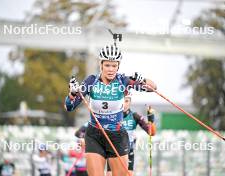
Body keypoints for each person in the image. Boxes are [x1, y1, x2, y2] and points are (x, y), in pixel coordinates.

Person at [65, 44, 157, 176]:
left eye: (114, 65)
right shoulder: (91, 81)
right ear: (101, 64)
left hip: (117, 136)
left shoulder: (123, 81)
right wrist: (72, 94)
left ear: (118, 66)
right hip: (95, 135)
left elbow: (153, 87)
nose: (111, 69)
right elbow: (69, 106)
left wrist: (142, 80)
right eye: (107, 65)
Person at [75, 95, 157, 176]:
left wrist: (151, 119)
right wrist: (83, 139)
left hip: (128, 152)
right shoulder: (108, 116)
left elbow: (151, 132)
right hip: (113, 150)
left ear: (130, 102)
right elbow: (79, 132)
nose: (124, 104)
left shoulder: (134, 116)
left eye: (127, 101)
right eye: (122, 101)